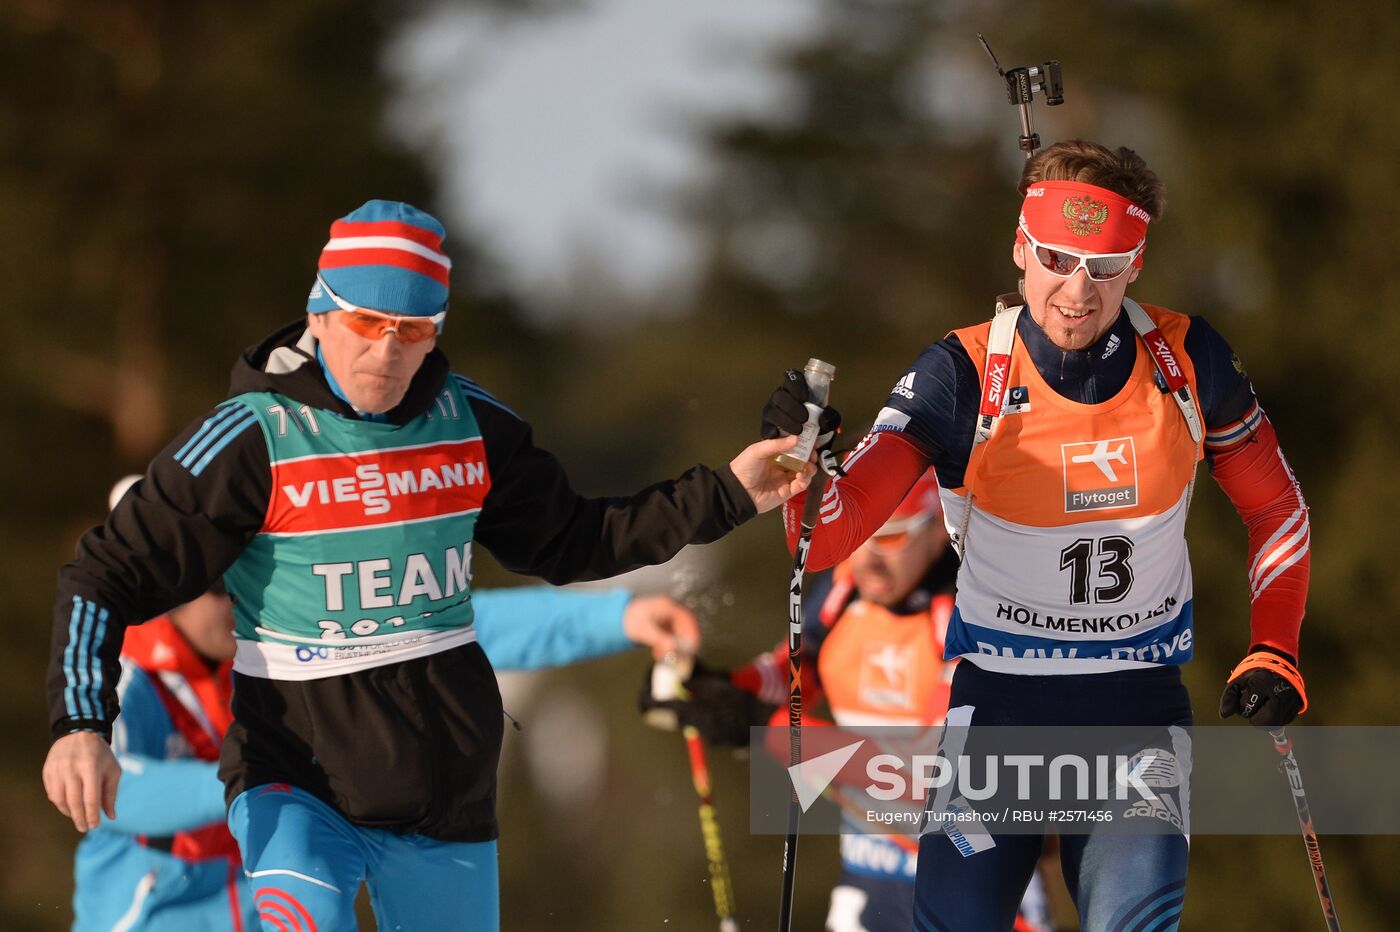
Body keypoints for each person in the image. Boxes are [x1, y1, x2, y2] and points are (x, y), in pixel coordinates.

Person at [45, 199, 810, 932]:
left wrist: (730, 493)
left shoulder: (470, 424)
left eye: (411, 331)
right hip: (298, 780)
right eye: (365, 323)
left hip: (446, 789)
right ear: (320, 316)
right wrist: (79, 725)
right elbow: (102, 571)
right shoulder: (252, 438)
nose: (386, 351)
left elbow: (576, 539)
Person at [759, 140, 1311, 931]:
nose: (1077, 290)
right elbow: (827, 537)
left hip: (1135, 712)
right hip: (999, 716)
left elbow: (1277, 508)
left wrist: (1275, 647)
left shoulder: (1187, 361)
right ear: (1021, 247)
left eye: (1106, 265)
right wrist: (799, 464)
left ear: (1136, 263)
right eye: (1056, 257)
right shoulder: (961, 374)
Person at [646, 471, 1052, 932]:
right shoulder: (842, 592)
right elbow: (793, 677)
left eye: (894, 535)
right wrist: (713, 688)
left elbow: (921, 774)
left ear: (940, 529)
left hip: (971, 881)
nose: (870, 557)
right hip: (868, 876)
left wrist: (767, 727)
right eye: (856, 534)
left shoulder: (971, 615)